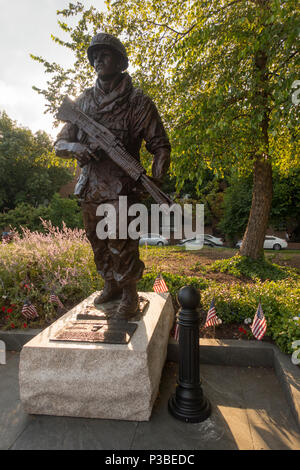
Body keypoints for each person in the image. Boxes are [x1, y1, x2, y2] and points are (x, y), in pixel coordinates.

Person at [54, 32, 171, 319]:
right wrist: (77, 147)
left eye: (104, 55)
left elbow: (161, 147)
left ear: (121, 62)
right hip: (90, 188)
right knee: (98, 243)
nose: (97, 61)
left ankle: (130, 295)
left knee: (122, 244)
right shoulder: (82, 103)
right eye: (94, 56)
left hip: (123, 189)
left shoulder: (138, 102)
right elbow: (59, 143)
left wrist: (153, 182)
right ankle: (111, 286)